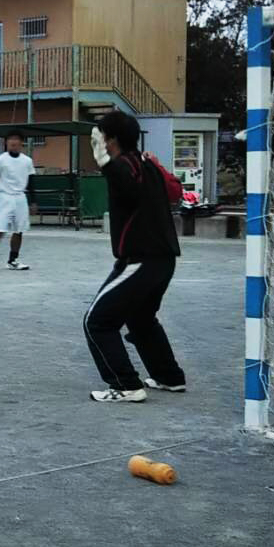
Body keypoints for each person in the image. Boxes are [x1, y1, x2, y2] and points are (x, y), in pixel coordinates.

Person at [84, 110, 186, 403]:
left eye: (101, 135)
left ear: (110, 140)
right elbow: (173, 191)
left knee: (97, 322)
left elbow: (127, 189)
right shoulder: (146, 162)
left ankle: (126, 385)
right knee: (141, 319)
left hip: (141, 259)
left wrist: (105, 163)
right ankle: (169, 377)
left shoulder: (125, 165)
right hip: (163, 258)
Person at [0, 130, 36, 271]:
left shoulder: (27, 161)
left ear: (21, 143)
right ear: (6, 142)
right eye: (10, 139)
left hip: (20, 197)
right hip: (3, 197)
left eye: (16, 139)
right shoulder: (0, 160)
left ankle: (13, 260)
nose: (13, 142)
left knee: (19, 230)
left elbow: (31, 182)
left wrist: (33, 201)